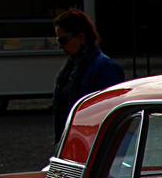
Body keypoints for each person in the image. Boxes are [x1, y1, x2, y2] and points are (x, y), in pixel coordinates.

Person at [52, 9, 125, 140]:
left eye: (63, 40)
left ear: (81, 37)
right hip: (77, 138)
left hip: (92, 139)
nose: (60, 46)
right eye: (58, 40)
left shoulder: (104, 68)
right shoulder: (73, 67)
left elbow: (111, 114)